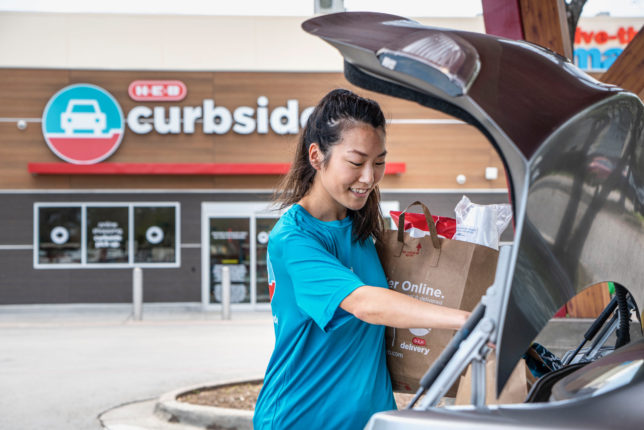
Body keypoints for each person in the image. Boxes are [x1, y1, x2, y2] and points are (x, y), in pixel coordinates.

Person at [253, 89, 470, 430]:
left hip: (370, 420)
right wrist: (469, 320)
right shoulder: (293, 239)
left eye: (379, 162)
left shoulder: (364, 227)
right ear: (316, 156)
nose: (369, 177)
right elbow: (365, 303)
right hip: (303, 418)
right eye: (356, 163)